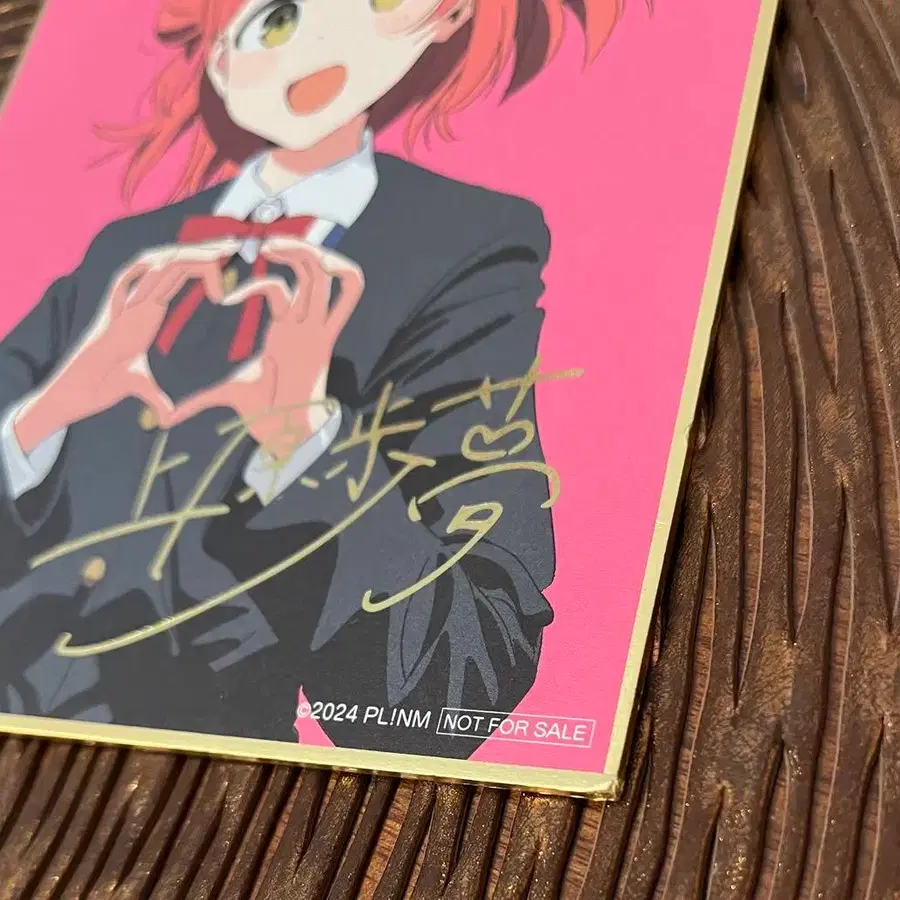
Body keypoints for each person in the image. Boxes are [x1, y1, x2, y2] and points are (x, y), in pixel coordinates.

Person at [0, 0, 619, 758]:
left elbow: (465, 682)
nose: (329, 33)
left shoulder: (468, 245)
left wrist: (304, 443)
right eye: (281, 17)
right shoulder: (123, 248)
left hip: (195, 777)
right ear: (218, 54)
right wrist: (44, 416)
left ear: (449, 16)